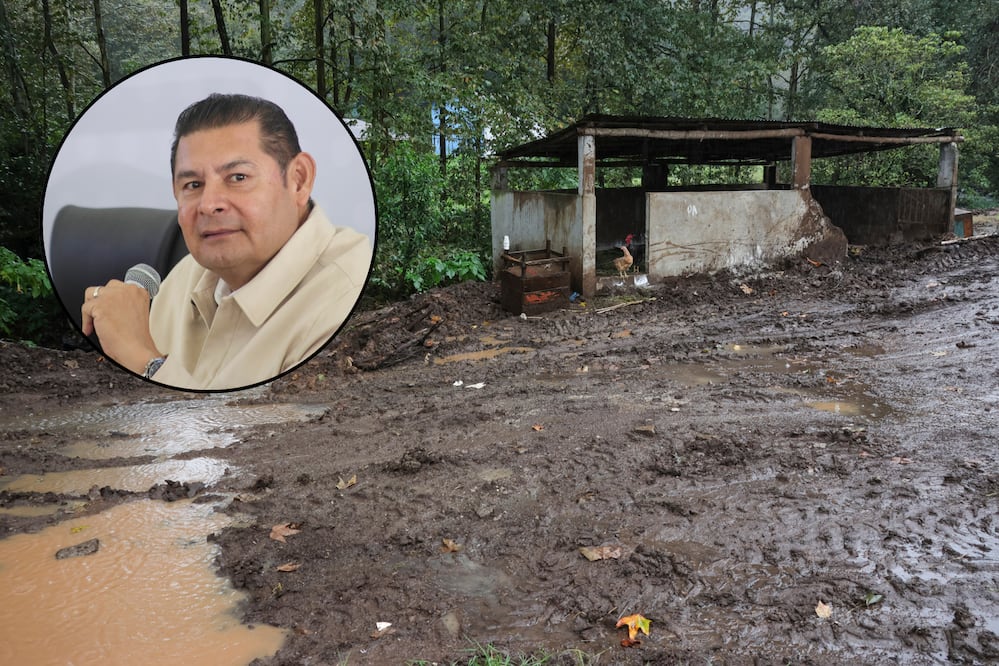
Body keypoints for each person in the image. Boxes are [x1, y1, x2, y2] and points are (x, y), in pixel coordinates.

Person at [80, 93, 371, 390]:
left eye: (238, 178)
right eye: (193, 185)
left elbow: (280, 433)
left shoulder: (345, 299)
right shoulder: (185, 276)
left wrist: (145, 363)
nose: (209, 204)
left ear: (298, 179)